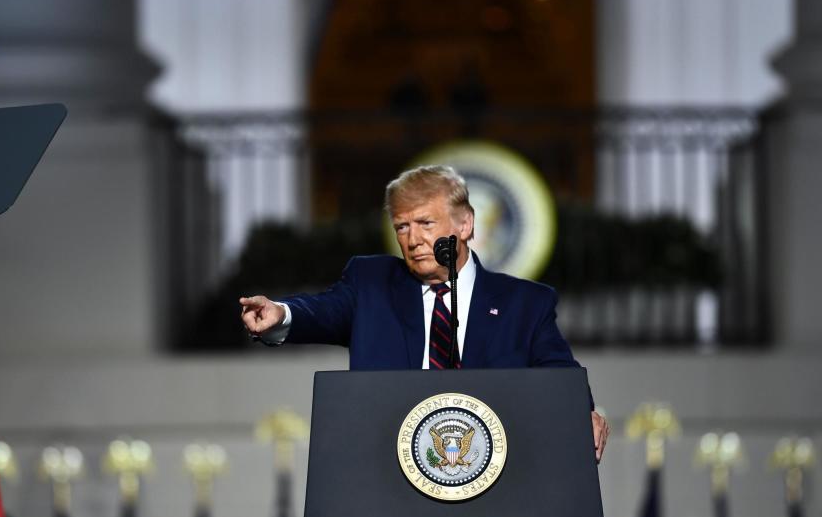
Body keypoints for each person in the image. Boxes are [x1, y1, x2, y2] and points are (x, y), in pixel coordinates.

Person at [240, 165, 609, 461]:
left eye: (425, 224)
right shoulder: (372, 285)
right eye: (402, 226)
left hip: (497, 482)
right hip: (388, 476)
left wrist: (582, 412)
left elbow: (559, 373)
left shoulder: (524, 303)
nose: (412, 239)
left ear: (465, 224)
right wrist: (282, 313)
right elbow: (323, 310)